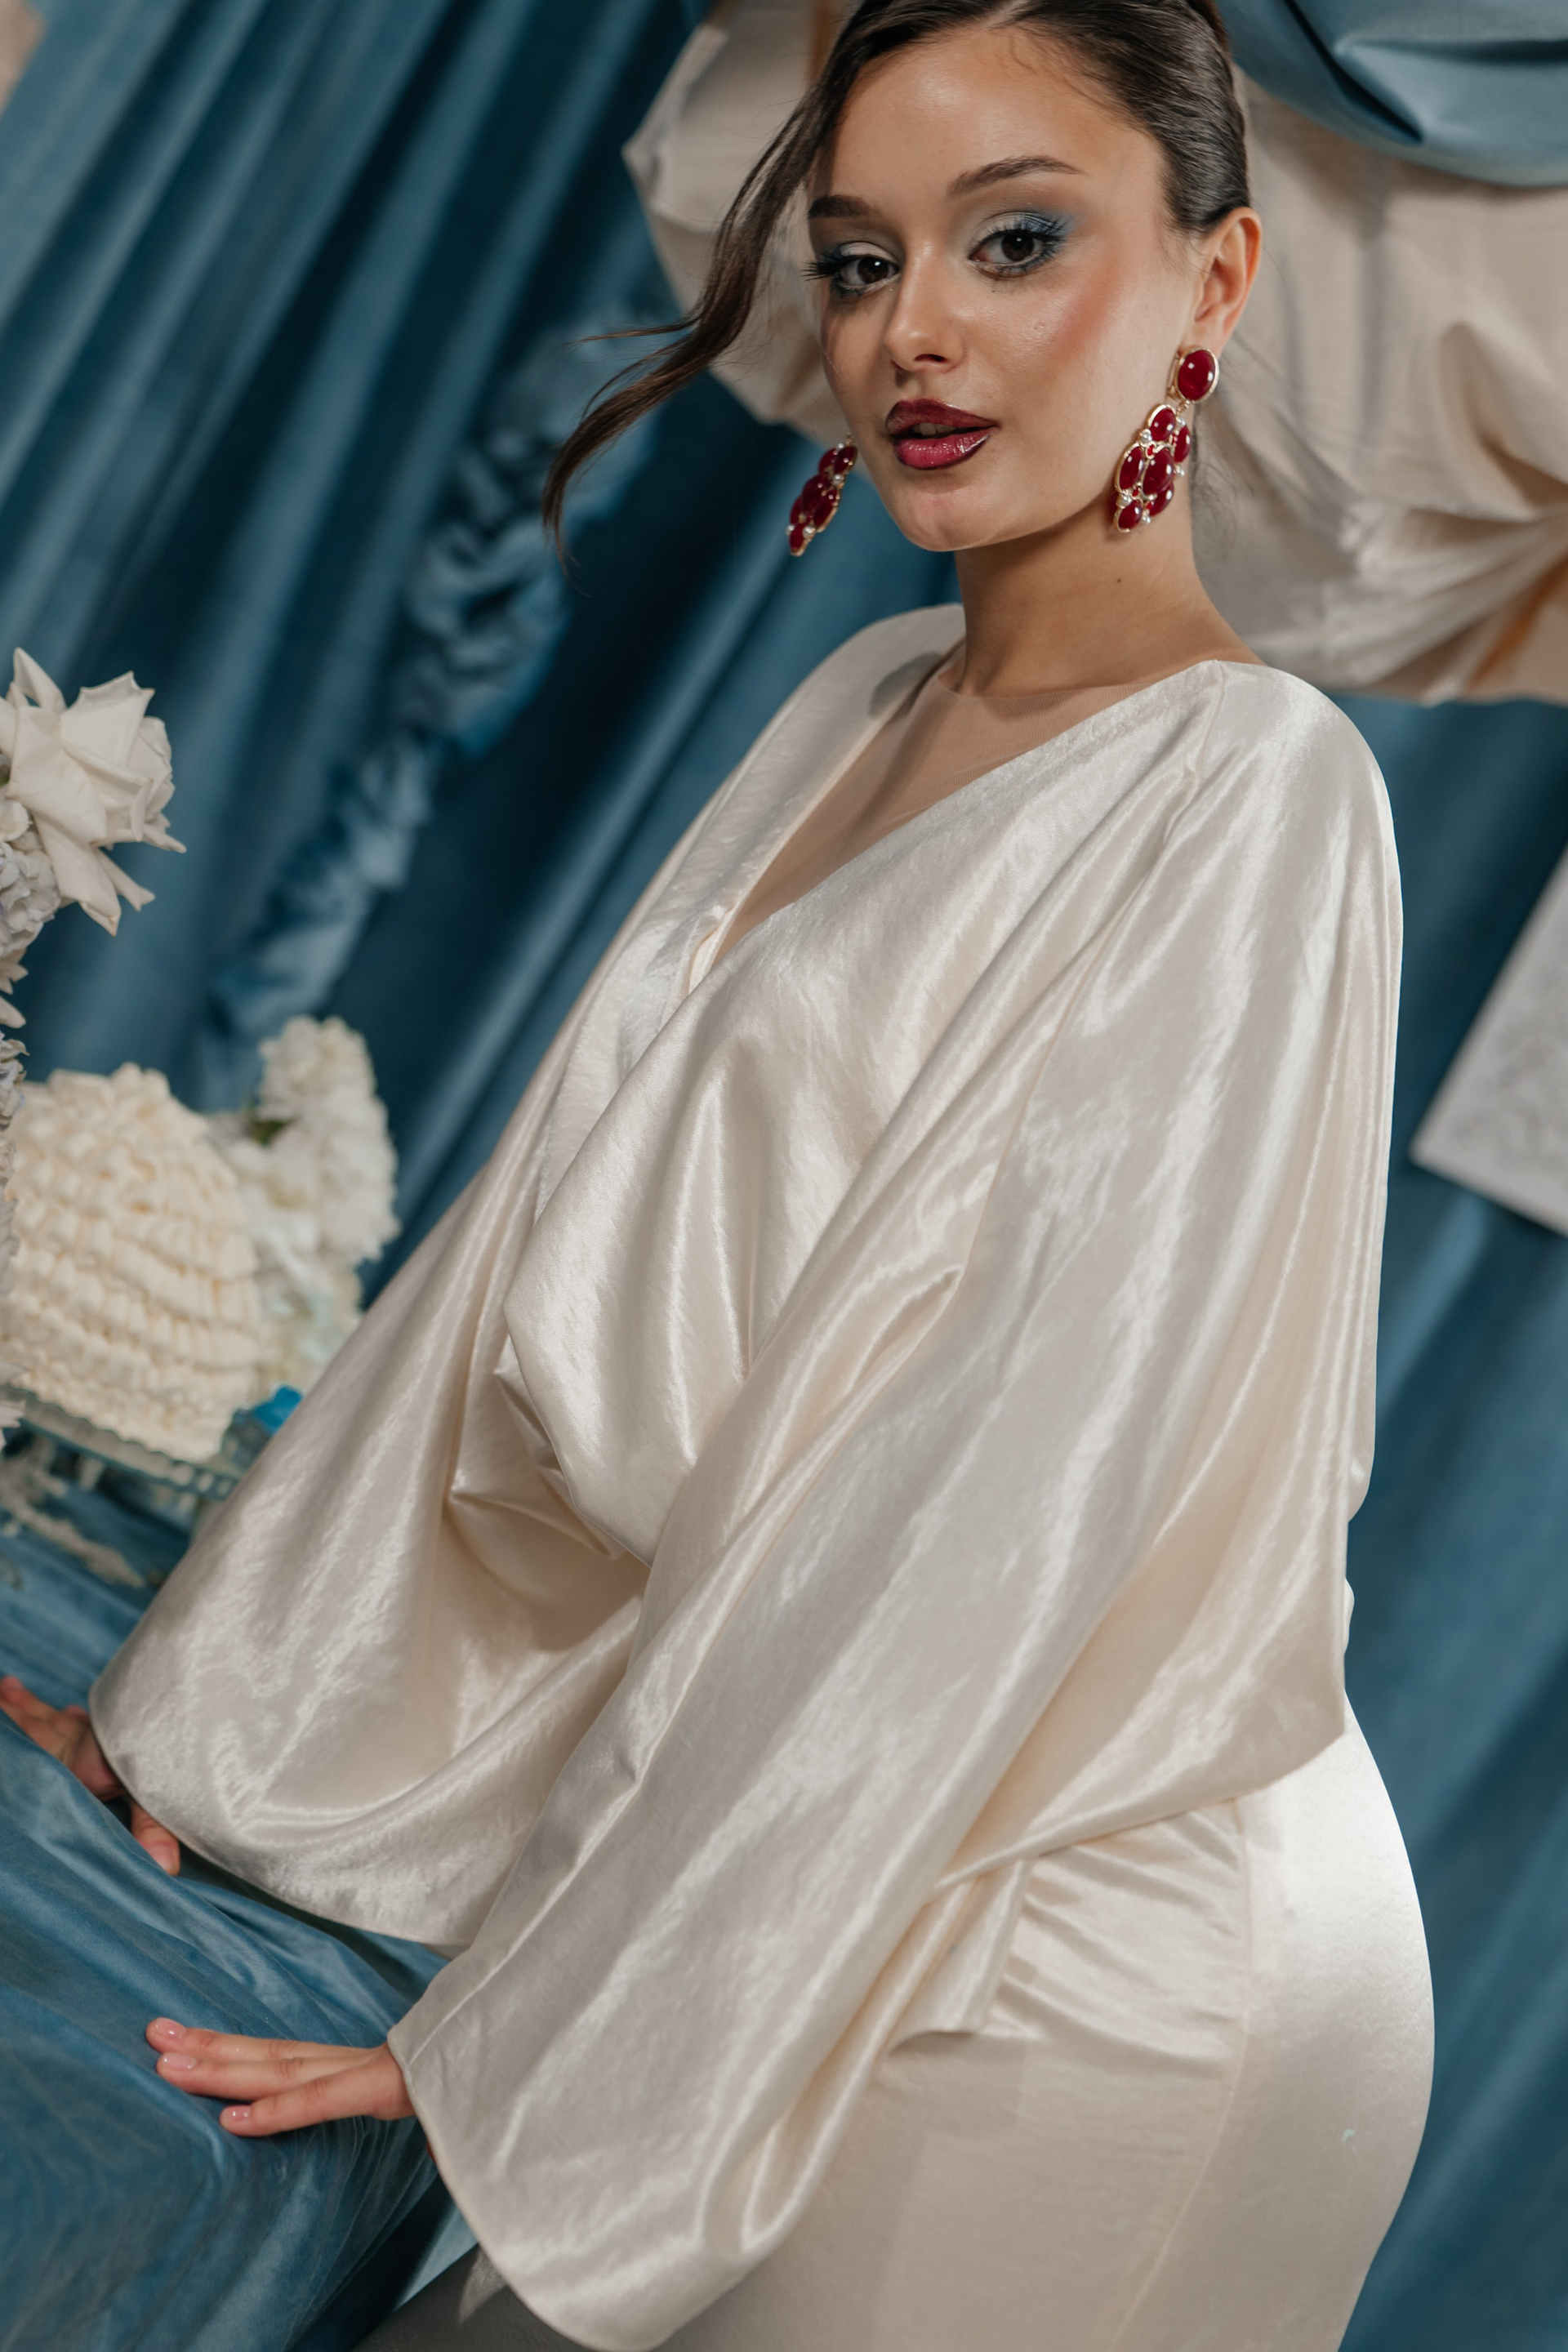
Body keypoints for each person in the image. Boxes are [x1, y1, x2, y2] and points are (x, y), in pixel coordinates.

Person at [1, 2, 1433, 2345]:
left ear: (1220, 273)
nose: (914, 330)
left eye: (1017, 241)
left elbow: (978, 1503)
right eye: (860, 260)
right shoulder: (862, 699)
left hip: (1066, 1945)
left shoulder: (1254, 796)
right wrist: (212, 1729)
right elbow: (519, 1271)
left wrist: (536, 2049)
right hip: (840, 1839)